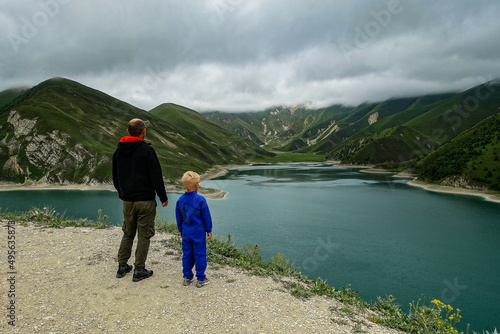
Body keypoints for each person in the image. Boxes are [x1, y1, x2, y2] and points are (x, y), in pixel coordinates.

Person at [112, 118, 169, 282]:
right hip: (145, 200)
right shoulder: (146, 150)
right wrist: (163, 197)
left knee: (128, 233)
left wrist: (121, 193)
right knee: (144, 235)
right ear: (143, 132)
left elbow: (115, 175)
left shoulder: (118, 151)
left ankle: (122, 266)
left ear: (128, 131)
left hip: (128, 200)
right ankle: (139, 270)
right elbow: (156, 176)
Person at [175, 171, 213, 288]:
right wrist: (209, 229)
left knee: (187, 254)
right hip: (198, 232)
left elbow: (178, 216)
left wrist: (180, 229)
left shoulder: (180, 200)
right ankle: (201, 278)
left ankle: (187, 277)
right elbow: (206, 216)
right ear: (197, 185)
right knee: (200, 254)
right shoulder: (200, 200)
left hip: (186, 232)